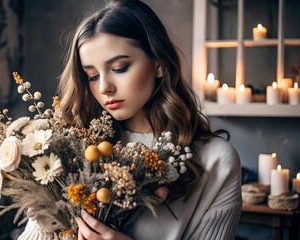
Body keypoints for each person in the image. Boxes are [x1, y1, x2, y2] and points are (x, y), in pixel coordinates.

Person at [18, 0, 242, 239]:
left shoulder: (217, 161)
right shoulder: (70, 148)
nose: (105, 87)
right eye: (92, 76)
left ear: (159, 64)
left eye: (120, 67)